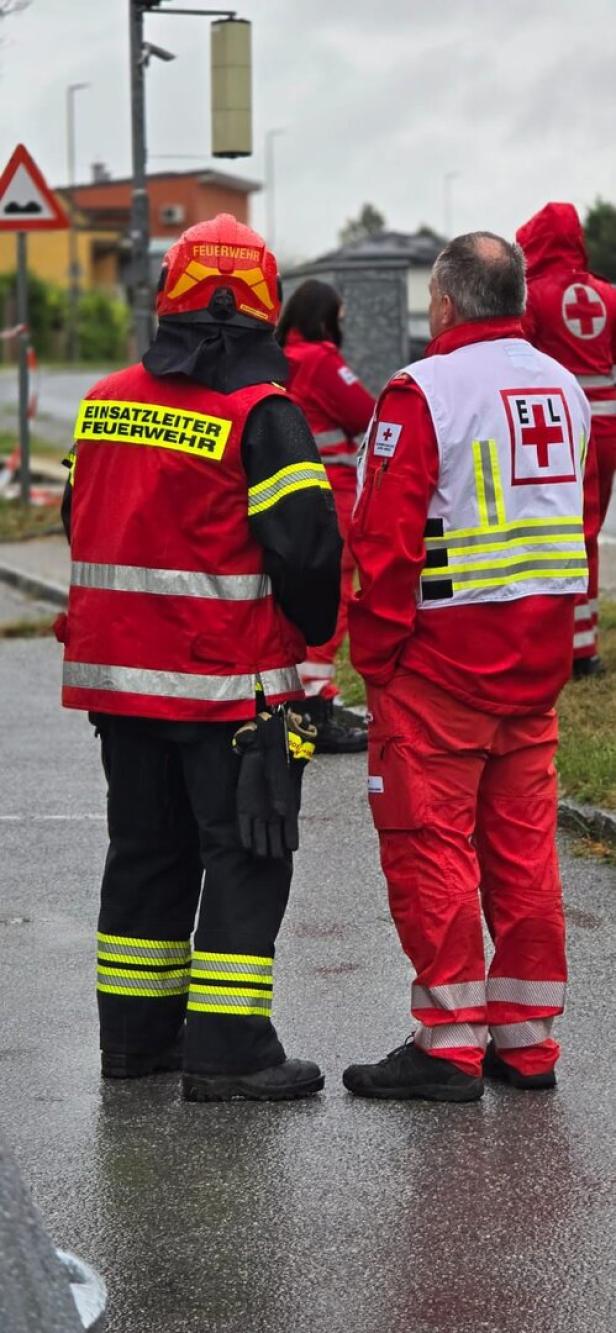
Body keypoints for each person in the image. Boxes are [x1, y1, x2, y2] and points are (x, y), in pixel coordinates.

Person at [56, 214, 342, 1103]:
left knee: (146, 854)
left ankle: (137, 1044)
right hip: (229, 688)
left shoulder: (105, 398)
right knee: (247, 855)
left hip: (120, 685)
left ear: (169, 297)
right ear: (261, 309)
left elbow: (77, 516)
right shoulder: (263, 413)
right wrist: (311, 636)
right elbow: (306, 551)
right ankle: (229, 1052)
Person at [343, 232, 590, 1104]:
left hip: (440, 666)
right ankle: (526, 1043)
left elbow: (385, 541)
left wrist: (374, 659)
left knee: (430, 844)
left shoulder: (423, 393)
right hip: (538, 666)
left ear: (443, 303)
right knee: (525, 854)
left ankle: (448, 1042)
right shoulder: (564, 387)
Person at [516, 202, 616, 677]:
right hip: (608, 427)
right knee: (589, 532)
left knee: (552, 531)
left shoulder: (533, 295)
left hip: (559, 428)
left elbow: (518, 356)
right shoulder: (607, 295)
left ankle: (551, 641)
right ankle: (585, 646)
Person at [277, 279, 376, 752]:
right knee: (330, 602)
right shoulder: (319, 360)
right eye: (340, 315)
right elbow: (366, 413)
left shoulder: (275, 359)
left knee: (291, 602)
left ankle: (294, 702)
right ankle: (313, 710)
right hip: (329, 496)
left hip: (286, 499)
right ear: (324, 317)